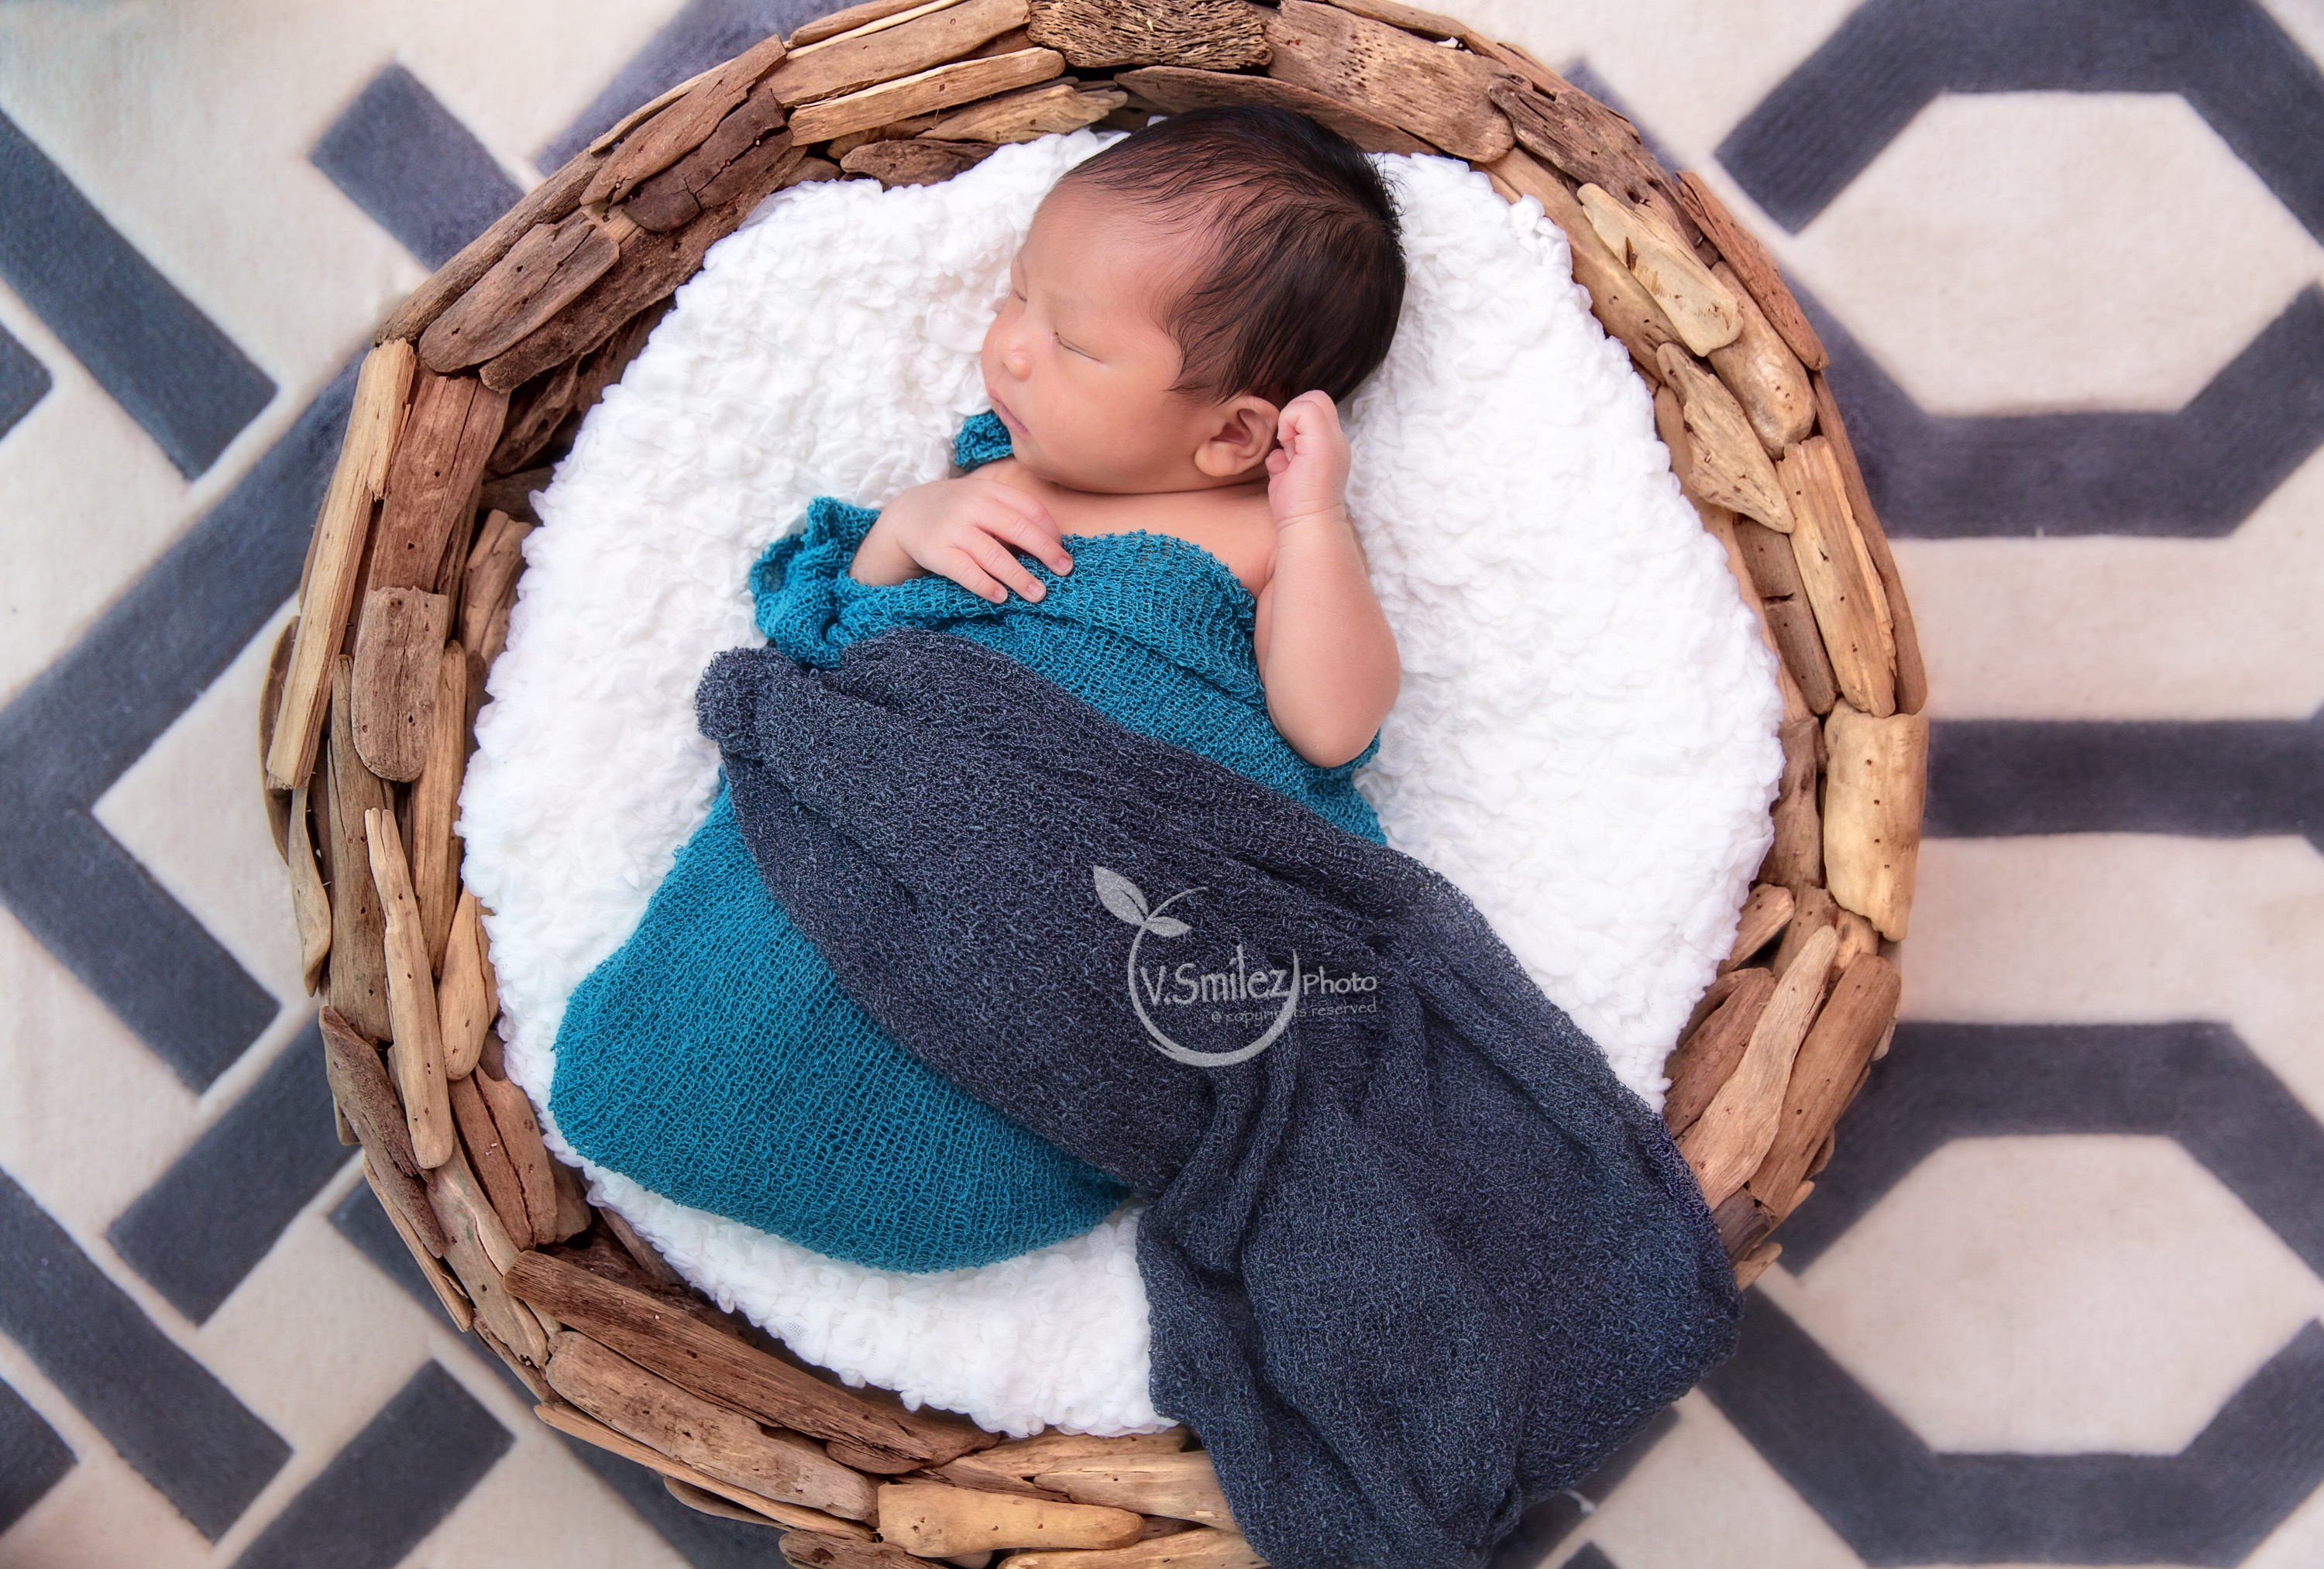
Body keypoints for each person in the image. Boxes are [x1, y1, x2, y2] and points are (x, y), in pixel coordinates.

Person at [845, 105, 1404, 767]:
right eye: (1019, 293)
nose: (1012, 348)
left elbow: (1331, 731)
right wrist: (903, 529)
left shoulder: (1279, 537)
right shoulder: (995, 471)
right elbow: (852, 635)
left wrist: (1314, 519)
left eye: (1074, 344)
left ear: (1232, 434)